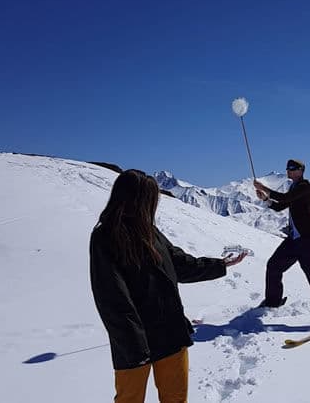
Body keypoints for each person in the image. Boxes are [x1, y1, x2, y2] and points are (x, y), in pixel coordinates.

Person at [90, 169, 246, 403]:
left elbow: (180, 264)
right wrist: (135, 346)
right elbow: (112, 298)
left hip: (171, 332)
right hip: (134, 343)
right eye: (150, 200)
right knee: (129, 399)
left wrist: (219, 264)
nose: (153, 206)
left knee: (175, 399)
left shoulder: (150, 232)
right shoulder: (105, 237)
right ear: (136, 200)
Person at [253, 159, 310, 320]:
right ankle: (273, 302)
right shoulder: (294, 187)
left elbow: (284, 199)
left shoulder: (304, 186)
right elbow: (281, 205)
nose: (288, 171)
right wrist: (266, 199)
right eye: (287, 168)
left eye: (292, 168)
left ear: (301, 171)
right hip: (294, 240)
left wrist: (263, 188)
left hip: (308, 240)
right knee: (274, 266)